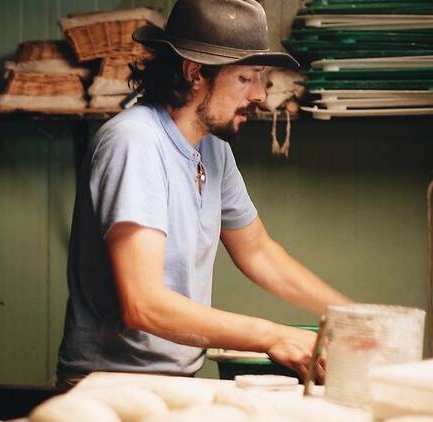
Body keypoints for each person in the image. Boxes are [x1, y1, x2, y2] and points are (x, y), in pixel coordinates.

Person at [56, 0, 352, 390]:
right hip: (108, 385)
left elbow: (258, 251)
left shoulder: (214, 147)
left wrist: (352, 315)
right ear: (195, 73)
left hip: (178, 380)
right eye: (246, 78)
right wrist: (273, 335)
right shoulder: (134, 142)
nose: (260, 94)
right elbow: (143, 304)